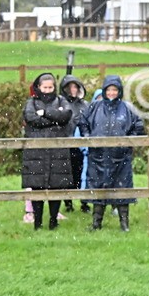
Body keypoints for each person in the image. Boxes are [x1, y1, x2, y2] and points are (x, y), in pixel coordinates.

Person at [76, 74, 145, 231]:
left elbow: (138, 126)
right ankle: (96, 224)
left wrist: (129, 141)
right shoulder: (94, 107)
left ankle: (124, 225)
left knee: (122, 190)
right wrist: (87, 137)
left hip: (121, 158)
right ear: (104, 90)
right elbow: (82, 121)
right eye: (109, 90)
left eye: (115, 90)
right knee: (98, 189)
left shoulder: (127, 109)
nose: (112, 93)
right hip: (98, 157)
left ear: (119, 91)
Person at [22, 73, 74, 230]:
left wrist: (45, 113)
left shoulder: (61, 100)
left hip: (57, 151)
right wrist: (54, 119)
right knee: (36, 186)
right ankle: (37, 222)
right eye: (44, 87)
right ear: (38, 87)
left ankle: (53, 220)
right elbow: (31, 118)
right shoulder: (31, 102)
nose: (47, 90)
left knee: (56, 186)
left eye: (50, 87)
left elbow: (66, 115)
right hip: (36, 152)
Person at [60, 74, 90, 213]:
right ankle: (68, 202)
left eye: (75, 86)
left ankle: (84, 202)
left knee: (83, 173)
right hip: (66, 144)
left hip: (82, 145)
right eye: (70, 87)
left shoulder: (85, 105)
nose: (73, 89)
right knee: (67, 174)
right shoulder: (61, 103)